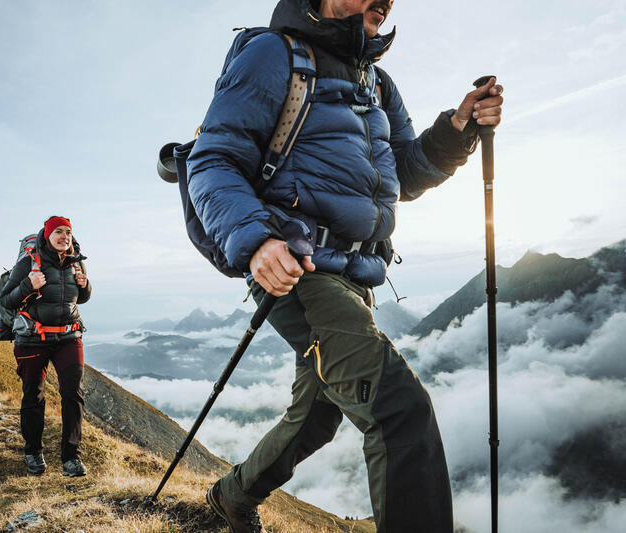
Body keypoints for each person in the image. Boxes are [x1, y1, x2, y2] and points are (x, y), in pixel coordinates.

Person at [186, 1, 504, 532]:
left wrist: (458, 127)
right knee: (399, 411)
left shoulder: (377, 83)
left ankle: (232, 497)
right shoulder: (272, 54)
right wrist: (257, 241)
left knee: (316, 417)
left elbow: (405, 174)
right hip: (300, 271)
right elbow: (212, 159)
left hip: (357, 275)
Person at [0, 216, 92, 477]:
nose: (65, 237)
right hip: (32, 339)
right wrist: (29, 285)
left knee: (74, 395)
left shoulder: (76, 261)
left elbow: (79, 299)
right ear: (47, 235)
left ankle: (71, 458)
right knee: (34, 395)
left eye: (68, 233)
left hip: (69, 338)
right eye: (59, 232)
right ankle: (33, 452)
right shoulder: (30, 261)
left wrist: (86, 287)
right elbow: (7, 300)